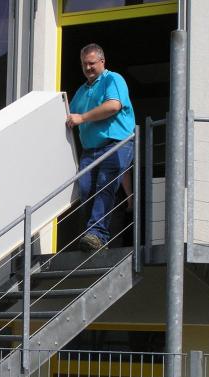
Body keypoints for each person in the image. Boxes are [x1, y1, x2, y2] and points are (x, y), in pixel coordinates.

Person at [66, 43, 136, 252]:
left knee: (105, 187)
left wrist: (83, 118)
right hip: (91, 151)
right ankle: (93, 237)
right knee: (86, 190)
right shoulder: (82, 90)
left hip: (116, 145)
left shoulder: (112, 79)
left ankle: (97, 235)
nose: (88, 68)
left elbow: (113, 106)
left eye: (92, 63)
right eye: (84, 64)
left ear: (102, 62)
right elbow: (67, 114)